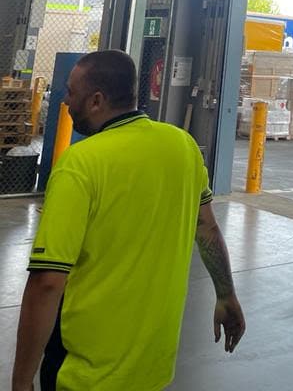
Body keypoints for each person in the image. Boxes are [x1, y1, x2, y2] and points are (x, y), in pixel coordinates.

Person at [12, 50, 246, 391]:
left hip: (83, 375)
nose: (65, 101)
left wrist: (20, 381)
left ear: (96, 100)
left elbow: (48, 282)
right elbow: (206, 228)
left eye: (71, 92)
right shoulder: (183, 146)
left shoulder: (80, 164)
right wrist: (226, 296)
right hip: (152, 369)